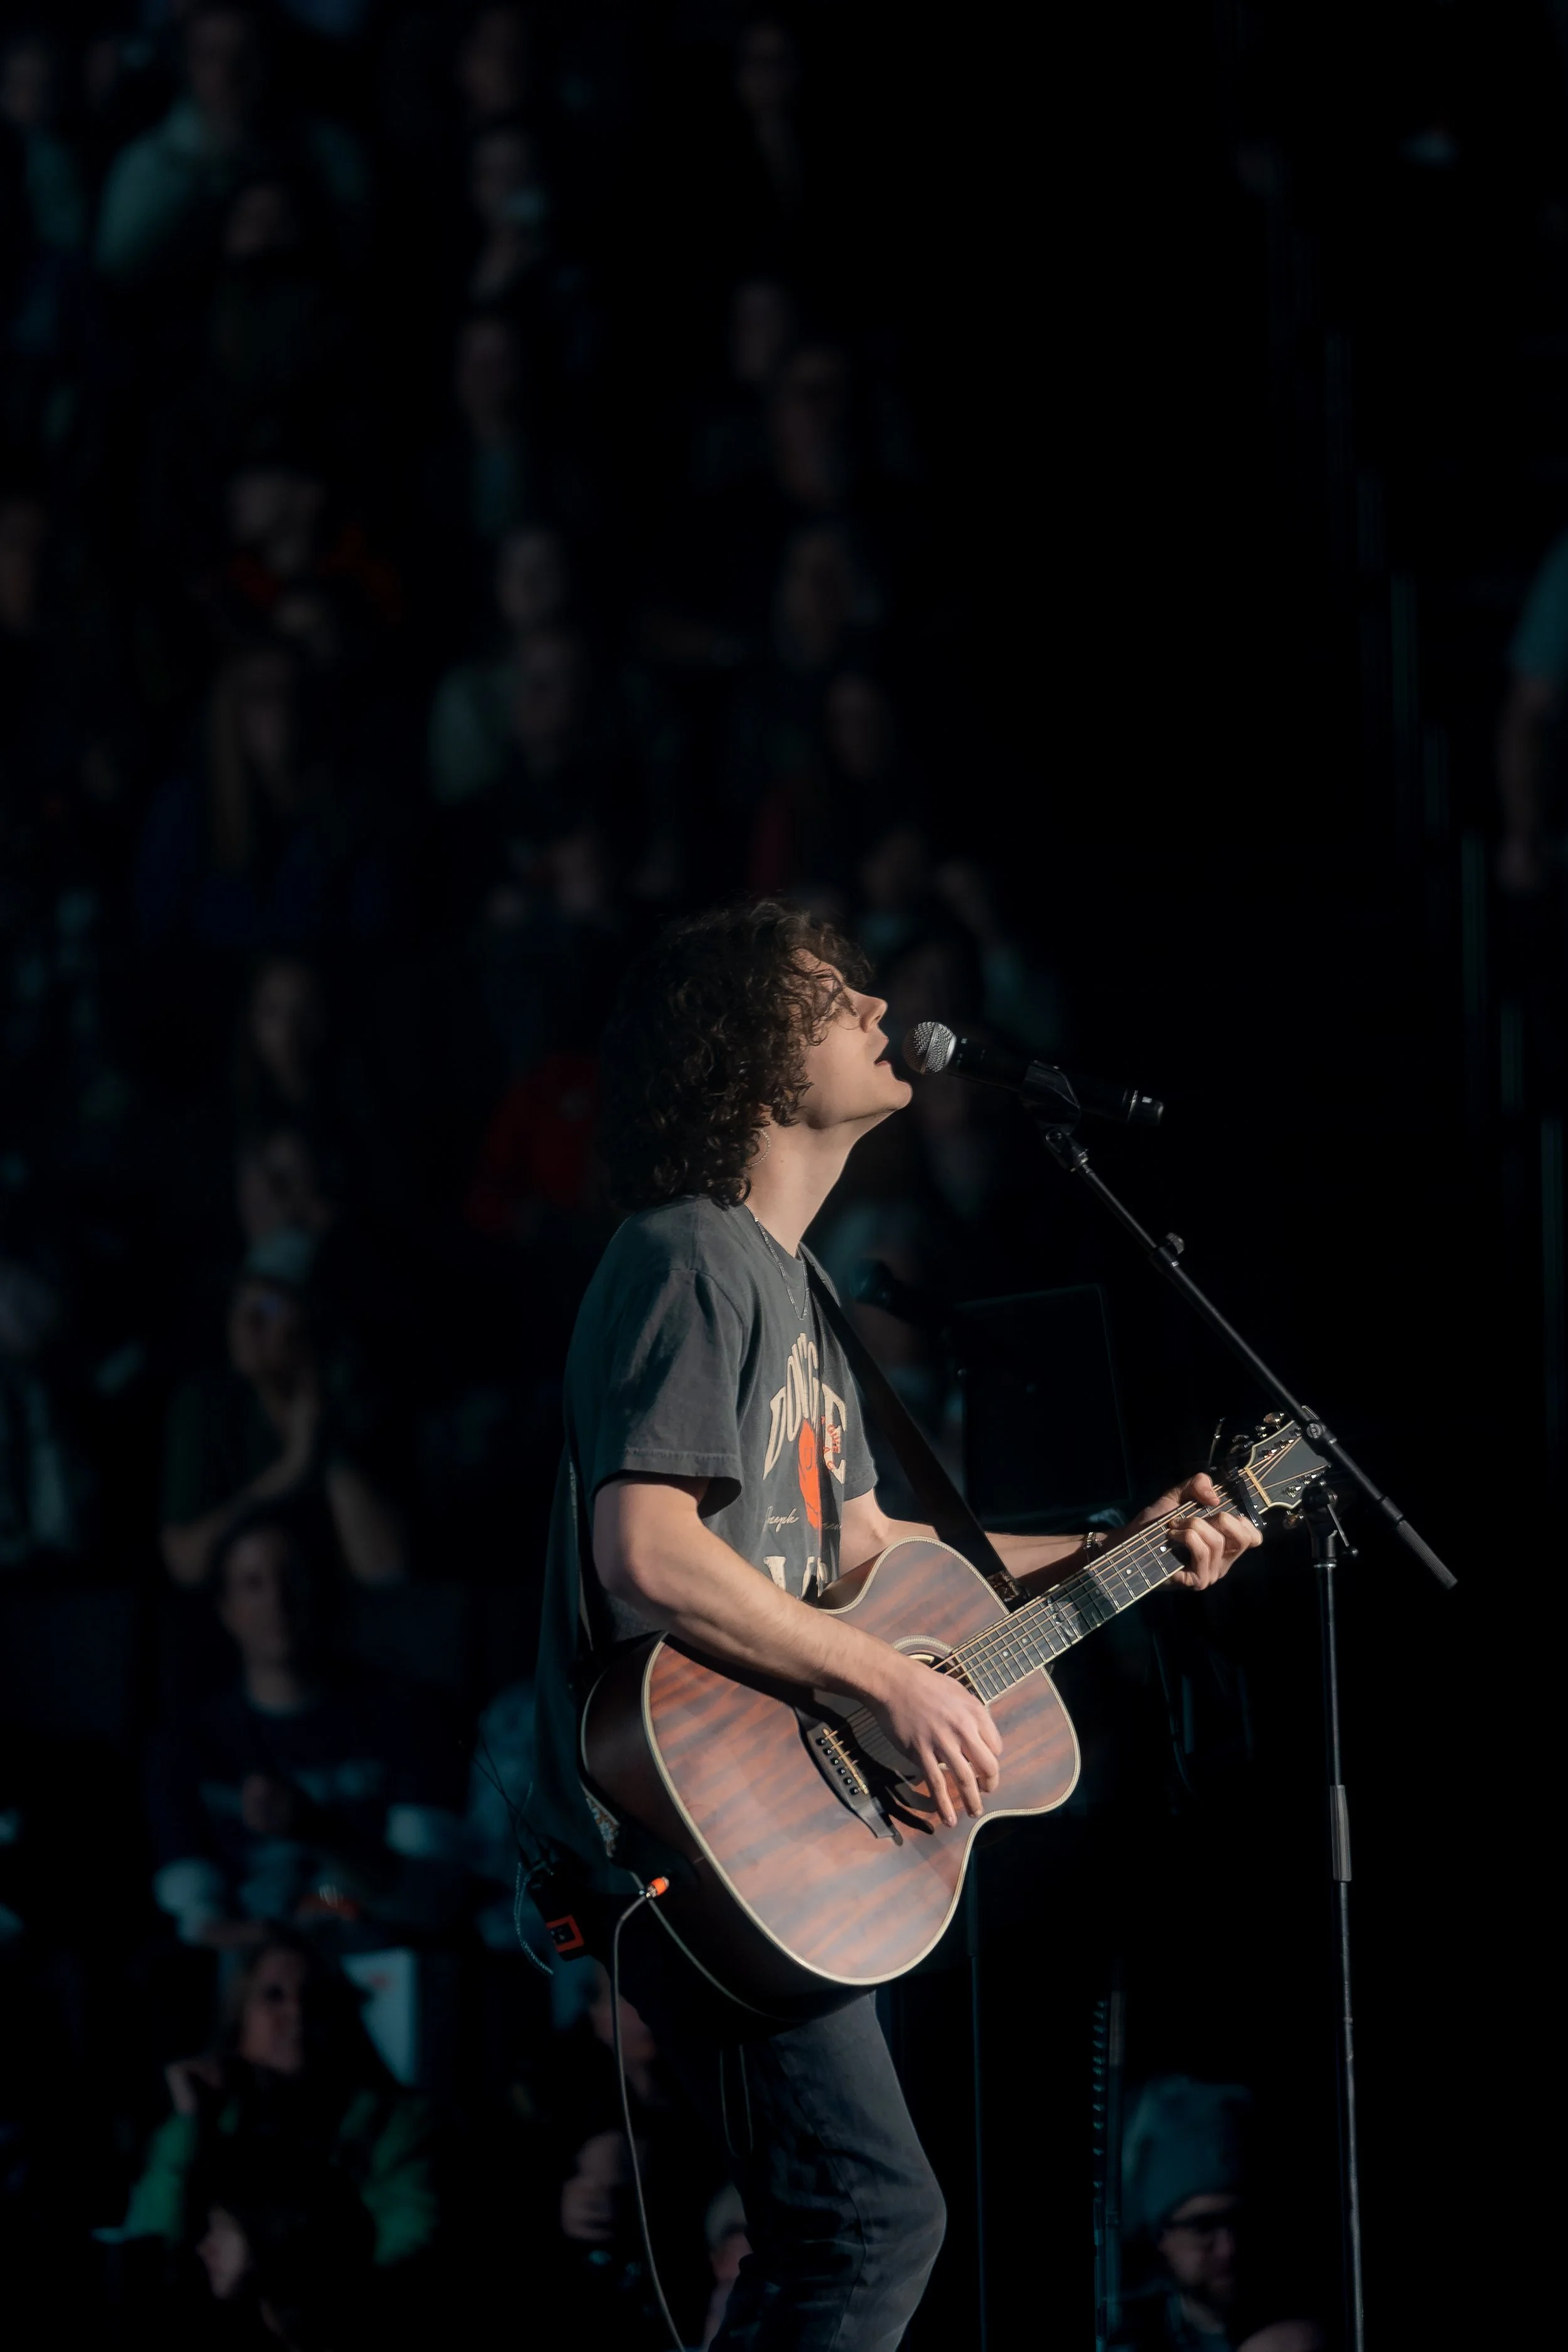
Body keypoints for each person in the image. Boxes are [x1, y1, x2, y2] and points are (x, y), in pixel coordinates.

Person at [528, 898, 1262, 2349]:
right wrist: (882, 1680)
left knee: (842, 2228)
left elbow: (880, 1549)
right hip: (687, 1821)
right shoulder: (687, 1254)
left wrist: (1128, 1544)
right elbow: (644, 1551)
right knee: (870, 2220)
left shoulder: (793, 1285)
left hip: (773, 1820)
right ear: (748, 1049)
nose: (879, 1008)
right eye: (834, 992)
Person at [146, 1507, 465, 1950]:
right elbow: (192, 1916)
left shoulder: (406, 1714)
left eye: (292, 1577)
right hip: (251, 1970)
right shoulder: (185, 1746)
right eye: (253, 1584)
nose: (276, 1600)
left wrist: (317, 1830)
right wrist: (272, 1944)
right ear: (225, 1608)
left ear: (323, 1588)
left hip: (385, 1960)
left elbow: (431, 1895)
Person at [125, 1930, 438, 2272]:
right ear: (241, 2019)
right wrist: (190, 2127)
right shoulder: (211, 2121)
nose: (297, 2011)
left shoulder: (396, 2124)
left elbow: (408, 2247)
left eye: (315, 1997)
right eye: (274, 1996)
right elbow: (151, 2247)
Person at [160, 1229, 406, 1589]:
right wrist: (286, 1474)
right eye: (240, 1301)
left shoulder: (359, 1408)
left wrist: (327, 1446)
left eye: (271, 1306)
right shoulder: (208, 1408)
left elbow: (386, 1575)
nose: (248, 1321)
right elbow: (186, 1562)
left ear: (313, 1321)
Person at [1116, 2077, 1324, 2352]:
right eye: (1203, 2227)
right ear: (1162, 2236)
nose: (1229, 2249)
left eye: (1240, 2222)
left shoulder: (1309, 2321)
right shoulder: (1131, 2335)